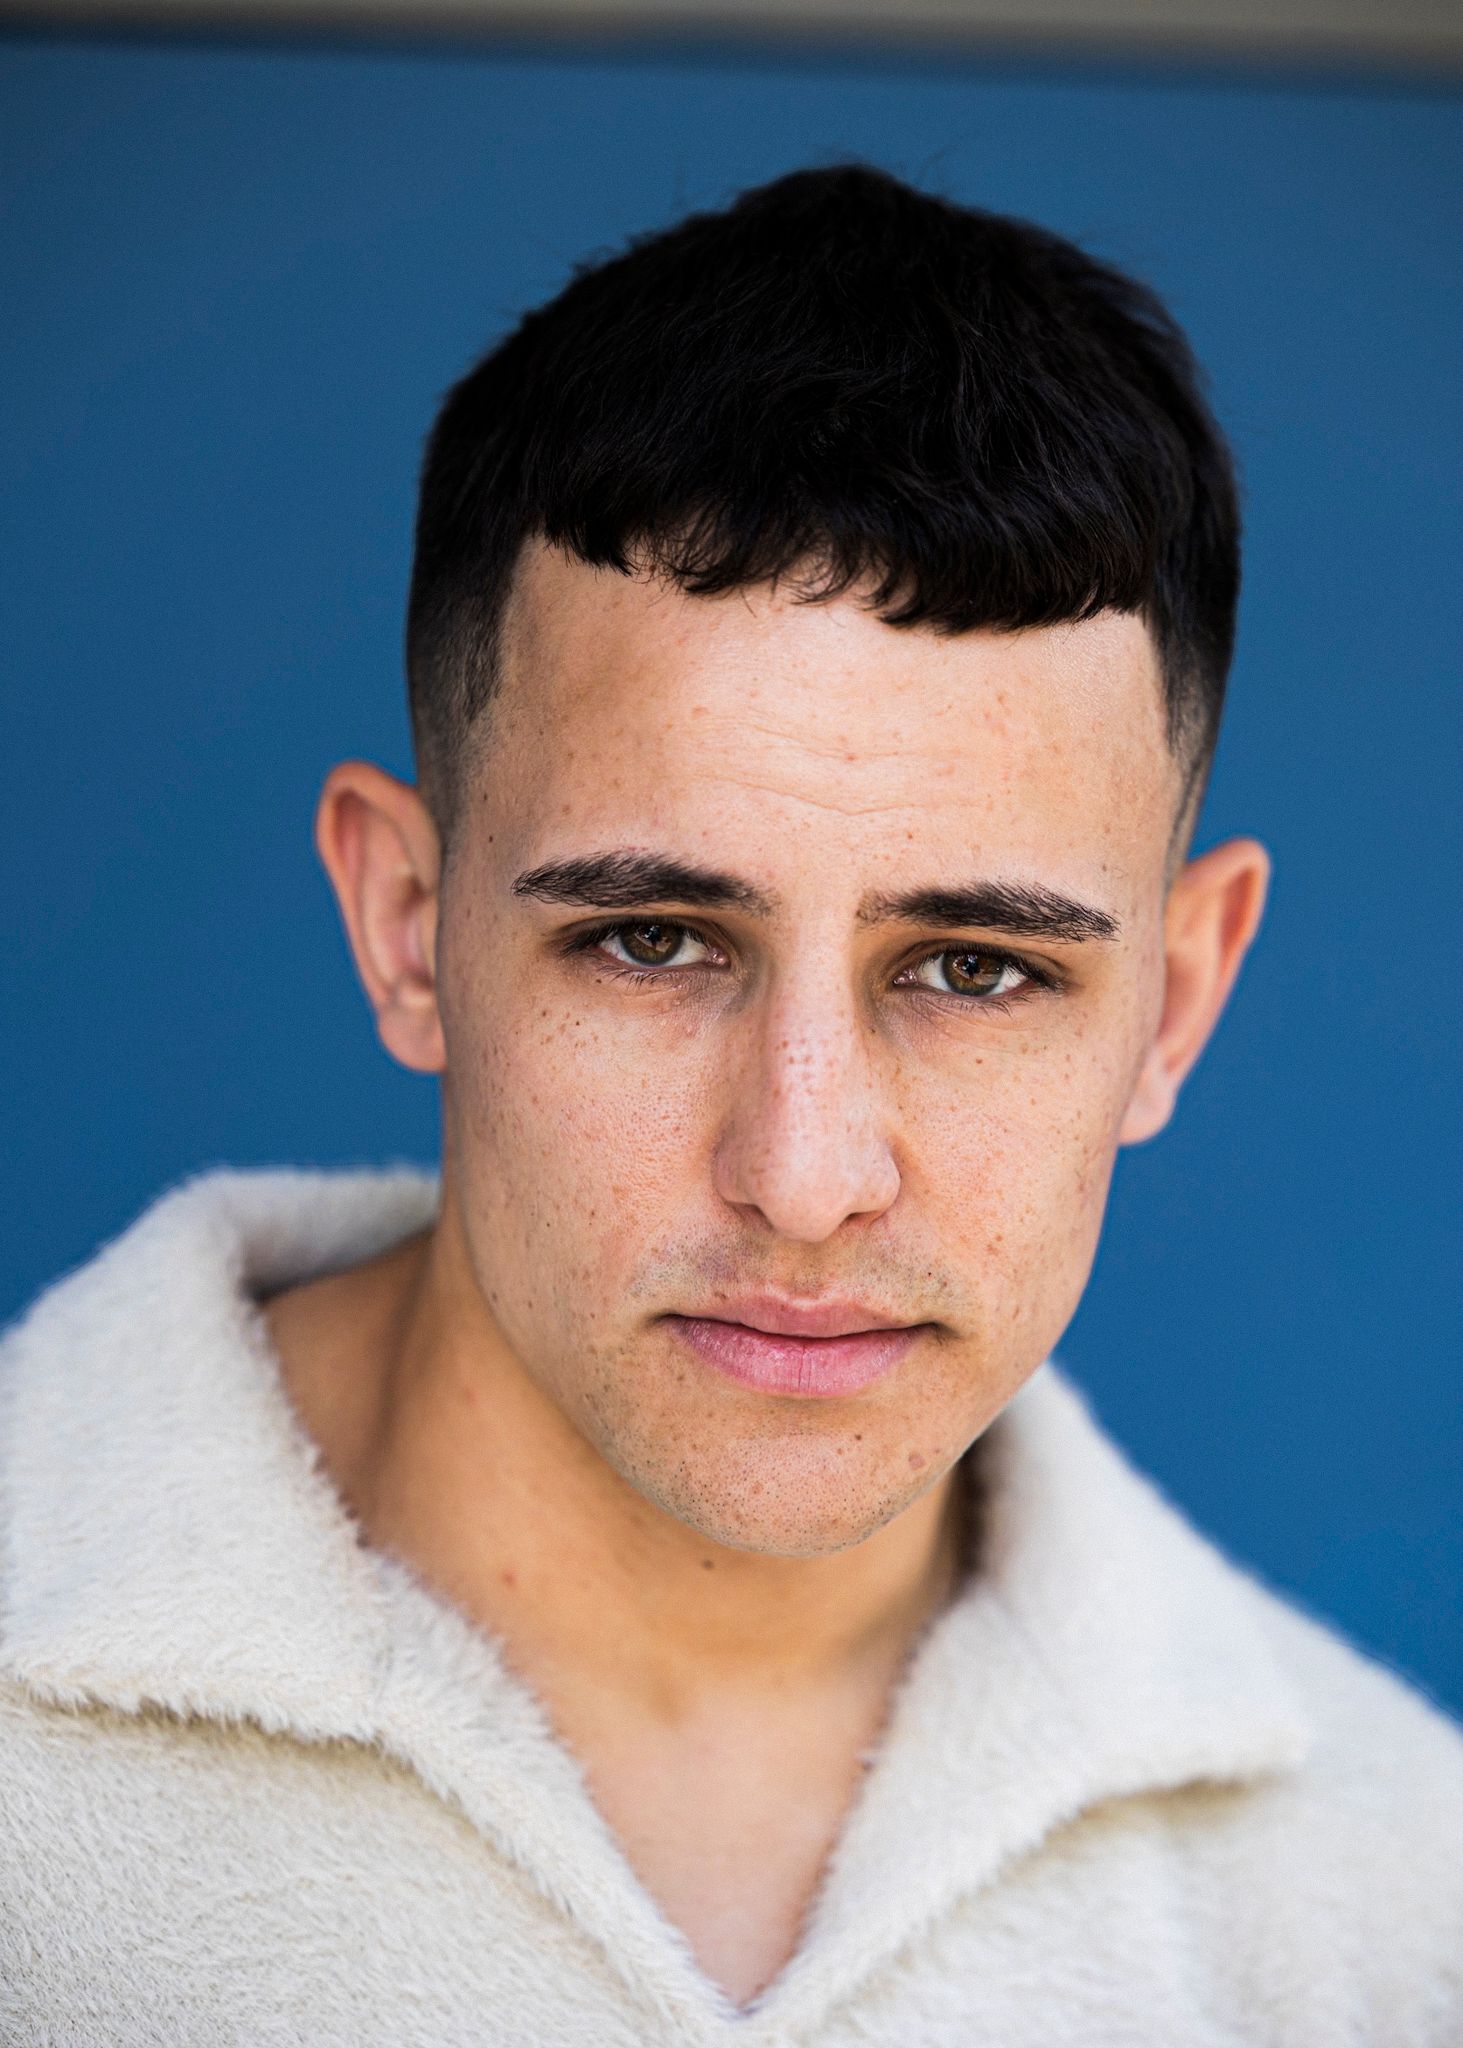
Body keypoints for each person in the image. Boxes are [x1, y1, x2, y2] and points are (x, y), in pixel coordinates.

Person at [1, 164, 1458, 2047]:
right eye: (652, 941)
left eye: (976, 969)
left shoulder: (1388, 1912)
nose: (803, 1172)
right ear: (408, 926)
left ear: (1177, 1000)